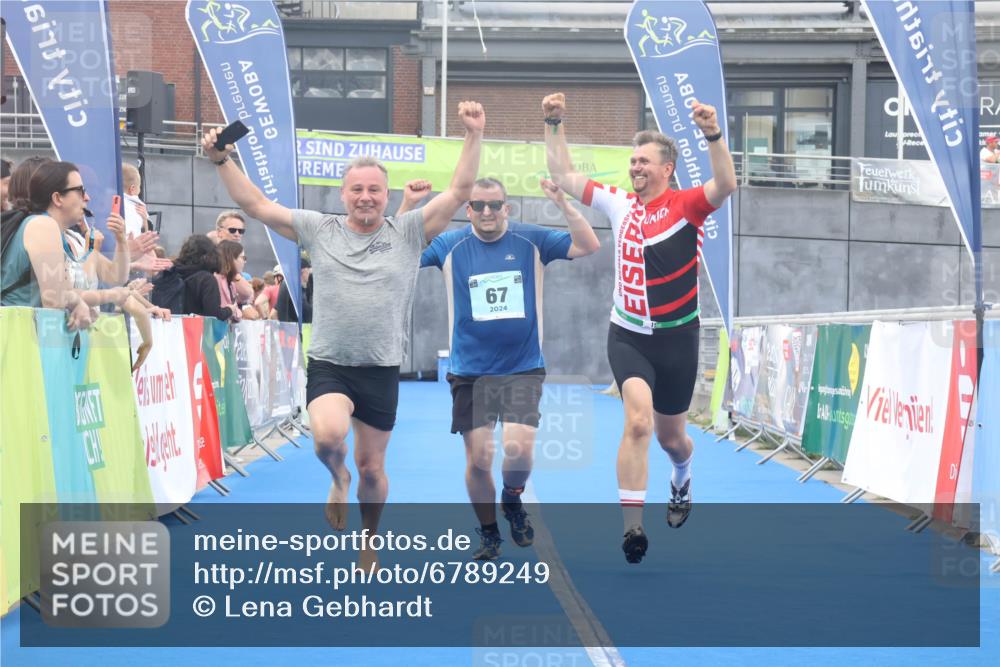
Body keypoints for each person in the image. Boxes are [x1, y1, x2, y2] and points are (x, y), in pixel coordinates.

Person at [200, 100, 485, 571]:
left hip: (380, 367)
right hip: (331, 362)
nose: (366, 197)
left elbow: (459, 191)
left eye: (375, 189)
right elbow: (254, 204)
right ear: (343, 194)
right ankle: (337, 479)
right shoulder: (320, 228)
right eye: (357, 189)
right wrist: (221, 159)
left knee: (374, 468)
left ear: (387, 195)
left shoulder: (409, 232)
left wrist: (473, 134)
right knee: (328, 438)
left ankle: (369, 537)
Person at [541, 92, 737, 564]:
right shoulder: (618, 203)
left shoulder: (687, 204)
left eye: (644, 161)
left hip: (678, 338)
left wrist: (712, 134)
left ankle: (682, 475)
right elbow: (565, 176)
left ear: (667, 169)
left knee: (673, 438)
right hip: (628, 336)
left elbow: (726, 183)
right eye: (632, 161)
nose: (635, 168)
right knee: (637, 421)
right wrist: (553, 122)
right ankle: (632, 528)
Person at [412, 176, 600, 560]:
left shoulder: (531, 240)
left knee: (518, 448)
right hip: (470, 371)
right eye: (478, 205)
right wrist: (410, 207)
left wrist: (565, 205)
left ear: (507, 209)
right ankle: (488, 532)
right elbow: (401, 253)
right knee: (480, 458)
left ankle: (512, 499)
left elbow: (588, 244)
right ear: (467, 210)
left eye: (494, 205)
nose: (486, 212)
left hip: (521, 366)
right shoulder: (450, 244)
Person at [1, 160, 101, 330]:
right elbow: (54, 300)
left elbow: (64, 291)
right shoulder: (42, 225)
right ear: (57, 198)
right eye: (80, 191)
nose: (87, 197)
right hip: (14, 340)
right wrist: (79, 303)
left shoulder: (40, 225)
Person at [152, 234, 239, 321]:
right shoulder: (206, 279)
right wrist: (229, 310)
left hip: (167, 326)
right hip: (193, 331)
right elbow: (213, 315)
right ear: (210, 255)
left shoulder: (171, 273)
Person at [216, 240, 252, 322]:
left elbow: (236, 313)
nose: (244, 262)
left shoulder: (231, 282)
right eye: (243, 258)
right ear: (231, 258)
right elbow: (229, 310)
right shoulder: (218, 279)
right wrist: (233, 311)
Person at [271, 256, 312, 323]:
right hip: (297, 331)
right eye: (309, 270)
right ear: (303, 271)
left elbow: (273, 314)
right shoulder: (290, 289)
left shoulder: (307, 290)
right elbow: (273, 314)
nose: (310, 274)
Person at [121, 163, 149, 238]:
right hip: (135, 245)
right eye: (139, 187)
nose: (139, 191)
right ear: (132, 189)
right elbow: (145, 232)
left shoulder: (107, 201)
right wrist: (145, 220)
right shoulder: (138, 205)